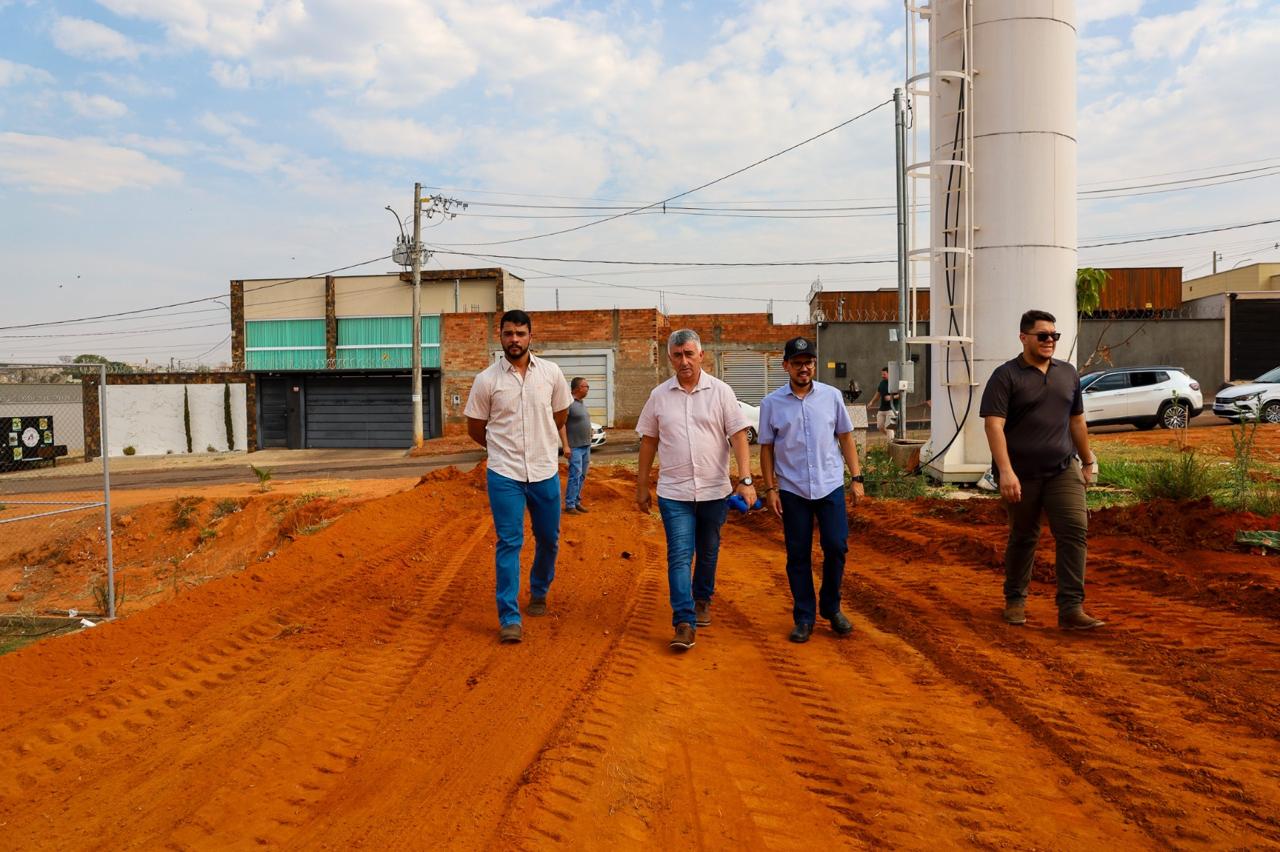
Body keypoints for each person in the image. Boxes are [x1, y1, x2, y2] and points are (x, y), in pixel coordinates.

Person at [980, 309, 1104, 631]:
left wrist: (1087, 460)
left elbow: (1076, 421)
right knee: (1024, 536)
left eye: (1054, 335)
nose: (1050, 340)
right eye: (1043, 335)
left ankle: (1071, 608)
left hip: (1063, 468)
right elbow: (994, 425)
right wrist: (1005, 472)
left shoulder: (1068, 373)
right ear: (1024, 338)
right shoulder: (1006, 376)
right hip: (1021, 473)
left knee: (1074, 531)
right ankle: (1015, 599)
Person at [635, 329, 756, 652]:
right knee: (678, 554)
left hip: (715, 492)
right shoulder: (659, 396)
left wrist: (745, 480)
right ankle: (684, 621)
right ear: (670, 358)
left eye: (689, 354)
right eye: (677, 355)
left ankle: (702, 598)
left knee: (708, 551)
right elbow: (648, 441)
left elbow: (739, 436)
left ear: (702, 355)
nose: (684, 361)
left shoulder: (721, 393)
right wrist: (642, 485)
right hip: (674, 493)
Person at [465, 309, 572, 644]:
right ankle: (509, 617)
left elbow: (560, 414)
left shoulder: (551, 373)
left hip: (544, 471)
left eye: (520, 334)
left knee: (549, 539)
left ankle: (539, 590)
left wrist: (542, 443)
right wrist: (500, 449)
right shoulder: (486, 380)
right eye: (509, 333)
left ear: (530, 336)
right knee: (509, 542)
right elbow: (475, 428)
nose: (515, 340)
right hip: (504, 474)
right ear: (500, 336)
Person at [759, 337, 866, 643]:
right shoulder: (771, 404)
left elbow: (845, 438)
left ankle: (831, 607)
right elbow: (766, 448)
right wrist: (770, 489)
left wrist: (856, 478)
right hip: (793, 490)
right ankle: (804, 617)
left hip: (829, 485)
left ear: (814, 365)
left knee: (836, 546)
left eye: (808, 362)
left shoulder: (831, 397)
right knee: (798, 554)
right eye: (797, 363)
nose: (803, 368)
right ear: (786, 366)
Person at [560, 377, 593, 514]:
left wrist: (589, 431)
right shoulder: (568, 403)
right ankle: (570, 505)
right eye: (586, 386)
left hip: (586, 446)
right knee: (575, 475)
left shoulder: (581, 403)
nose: (588, 388)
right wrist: (565, 446)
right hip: (575, 447)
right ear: (578, 388)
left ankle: (576, 501)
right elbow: (561, 424)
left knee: (582, 475)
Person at [866, 366, 898, 440]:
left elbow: (901, 395)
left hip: (893, 409)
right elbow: (878, 394)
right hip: (882, 409)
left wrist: (891, 397)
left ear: (889, 374)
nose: (882, 376)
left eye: (884, 374)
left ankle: (891, 442)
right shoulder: (882, 383)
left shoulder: (895, 383)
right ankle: (892, 438)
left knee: (890, 427)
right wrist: (871, 402)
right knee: (880, 426)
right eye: (882, 374)